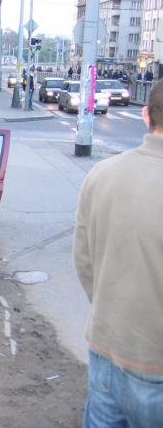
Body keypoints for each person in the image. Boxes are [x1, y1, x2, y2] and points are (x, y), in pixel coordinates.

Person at [74, 79, 163, 428]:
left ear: (145, 115)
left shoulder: (102, 174)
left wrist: (113, 313)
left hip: (105, 351)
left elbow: (84, 262)